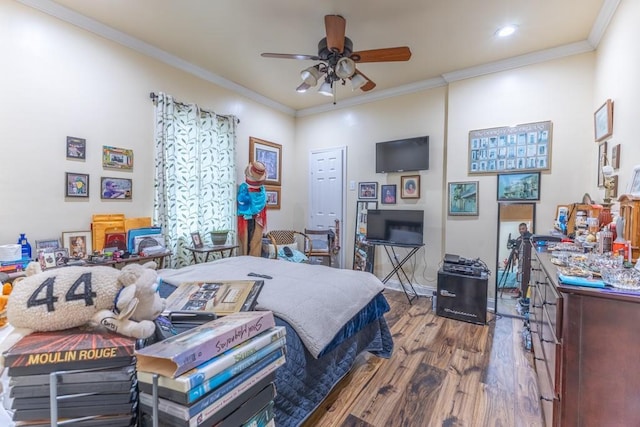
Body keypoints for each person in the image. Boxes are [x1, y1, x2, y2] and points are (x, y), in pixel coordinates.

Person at [237, 161, 267, 256]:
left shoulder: (245, 189)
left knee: (251, 241)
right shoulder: (262, 191)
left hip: (249, 218)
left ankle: (250, 261)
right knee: (253, 241)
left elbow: (243, 205)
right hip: (256, 218)